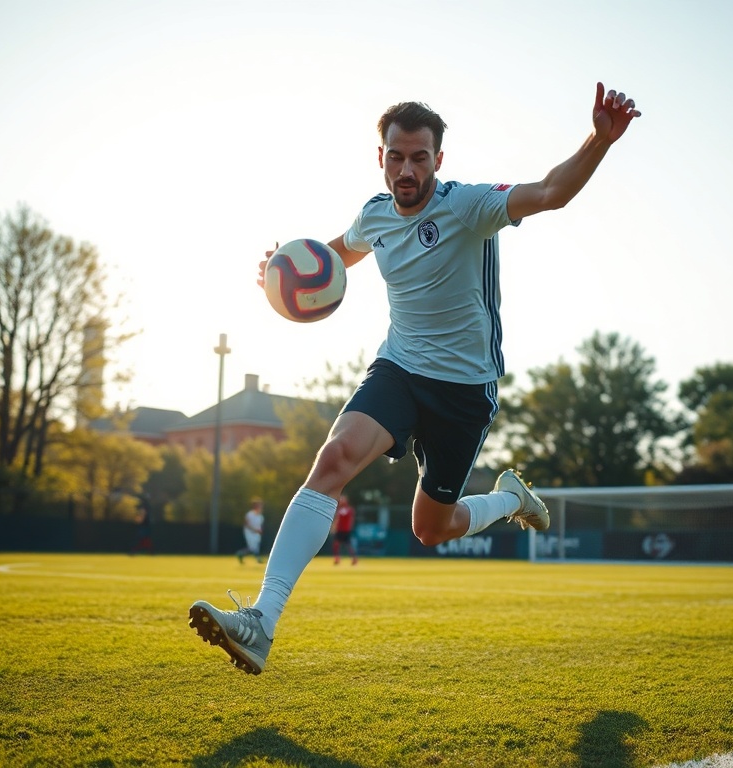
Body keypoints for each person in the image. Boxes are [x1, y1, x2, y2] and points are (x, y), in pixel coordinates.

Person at [189, 81, 641, 674]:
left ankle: (508, 500)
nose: (407, 169)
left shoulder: (468, 206)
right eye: (396, 156)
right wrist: (287, 267)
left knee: (430, 528)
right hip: (399, 370)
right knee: (332, 461)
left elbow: (551, 192)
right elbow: (338, 255)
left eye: (419, 157)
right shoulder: (375, 215)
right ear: (381, 157)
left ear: (438, 160)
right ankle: (262, 623)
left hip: (463, 392)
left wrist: (598, 141)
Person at [331, 493, 358, 566]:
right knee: (336, 544)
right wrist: (334, 528)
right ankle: (337, 559)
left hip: (345, 530)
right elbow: (337, 520)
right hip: (339, 530)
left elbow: (349, 519)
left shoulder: (348, 509)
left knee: (348, 545)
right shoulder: (339, 509)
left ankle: (354, 559)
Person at [236, 498, 265, 564]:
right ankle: (240, 553)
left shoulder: (261, 517)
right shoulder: (249, 514)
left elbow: (260, 526)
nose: (261, 508)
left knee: (255, 547)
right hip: (249, 532)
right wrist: (254, 530)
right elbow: (246, 524)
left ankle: (257, 559)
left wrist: (260, 530)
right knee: (252, 548)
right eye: (259, 506)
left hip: (256, 533)